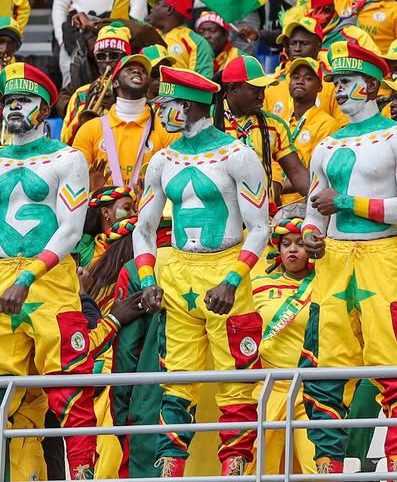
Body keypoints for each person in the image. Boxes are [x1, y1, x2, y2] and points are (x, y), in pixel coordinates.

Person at [0, 62, 96, 480]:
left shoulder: (69, 158)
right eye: (8, 101)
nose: (12, 109)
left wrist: (28, 279)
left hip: (52, 281)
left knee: (70, 392)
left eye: (22, 101)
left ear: (44, 109)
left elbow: (71, 229)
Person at [133, 65, 271, 477]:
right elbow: (143, 228)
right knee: (176, 379)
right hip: (177, 271)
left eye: (167, 105)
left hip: (228, 268)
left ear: (191, 106)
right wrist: (147, 280)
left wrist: (232, 281)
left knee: (236, 378)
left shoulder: (238, 155)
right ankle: (170, 467)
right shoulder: (162, 159)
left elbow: (261, 227)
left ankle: (237, 467)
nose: (160, 112)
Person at [301, 41, 397, 476]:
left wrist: (347, 202)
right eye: (335, 82)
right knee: (326, 366)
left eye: (346, 82)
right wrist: (311, 235)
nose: (338, 90)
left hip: (384, 256)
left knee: (396, 364)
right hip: (332, 261)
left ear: (371, 85)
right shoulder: (325, 146)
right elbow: (314, 210)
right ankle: (328, 465)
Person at [251, 214, 317, 476]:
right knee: (258, 469)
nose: (292, 249)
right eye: (286, 243)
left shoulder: (326, 283)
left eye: (300, 243)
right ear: (277, 249)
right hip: (266, 388)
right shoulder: (257, 285)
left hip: (312, 389)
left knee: (317, 468)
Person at [73, 53, 177, 191]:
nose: (136, 71)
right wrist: (92, 189)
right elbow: (75, 180)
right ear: (115, 82)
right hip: (104, 209)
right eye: (129, 69)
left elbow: (175, 179)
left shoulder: (166, 128)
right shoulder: (90, 129)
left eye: (143, 71)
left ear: (148, 84)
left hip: (150, 209)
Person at [215, 56, 309, 204]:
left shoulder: (274, 125)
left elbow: (297, 173)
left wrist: (319, 197)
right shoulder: (208, 121)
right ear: (233, 89)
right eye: (255, 90)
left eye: (263, 90)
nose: (262, 96)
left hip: (261, 217)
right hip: (219, 216)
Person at [280, 58, 339, 203]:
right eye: (295, 77)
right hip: (275, 205)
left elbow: (315, 176)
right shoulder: (281, 123)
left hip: (305, 208)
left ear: (320, 87)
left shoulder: (327, 124)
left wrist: (273, 187)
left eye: (308, 78)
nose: (300, 81)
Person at [147, 0, 214, 79]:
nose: (152, 9)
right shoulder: (147, 34)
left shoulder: (197, 43)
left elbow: (203, 83)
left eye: (157, 4)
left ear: (169, 9)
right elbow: (120, 21)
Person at [195, 12, 243, 77]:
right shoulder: (192, 55)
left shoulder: (239, 58)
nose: (206, 36)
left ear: (225, 35)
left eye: (212, 30)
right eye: (201, 31)